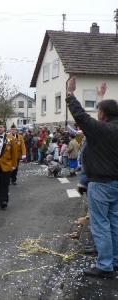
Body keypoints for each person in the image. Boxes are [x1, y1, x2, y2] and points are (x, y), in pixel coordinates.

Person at [66, 76, 118, 278]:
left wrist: (70, 94)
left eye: (99, 112)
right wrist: (101, 97)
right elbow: (98, 120)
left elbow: (81, 116)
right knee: (114, 222)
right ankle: (114, 260)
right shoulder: (108, 128)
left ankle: (104, 265)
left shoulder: (101, 130)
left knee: (101, 225)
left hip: (101, 184)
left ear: (103, 115)